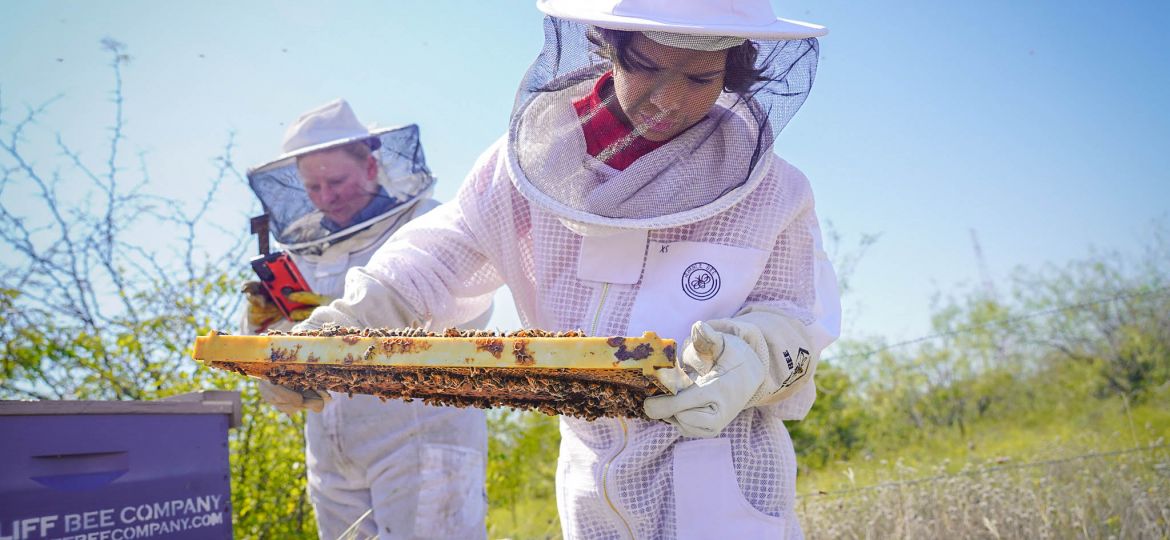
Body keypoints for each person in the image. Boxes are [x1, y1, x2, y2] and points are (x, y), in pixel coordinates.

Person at [297, 0, 841, 537]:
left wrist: (751, 359)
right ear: (610, 46)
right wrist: (345, 321)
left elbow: (797, 320)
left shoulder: (772, 190)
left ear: (732, 71)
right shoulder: (529, 163)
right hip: (590, 482)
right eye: (647, 66)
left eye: (699, 78)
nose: (667, 99)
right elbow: (438, 257)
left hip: (724, 475)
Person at [241, 99, 491, 540]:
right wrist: (263, 332)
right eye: (313, 187)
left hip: (420, 439)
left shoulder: (424, 223)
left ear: (371, 167)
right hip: (330, 447)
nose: (326, 197)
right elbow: (281, 349)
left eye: (336, 181)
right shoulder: (302, 252)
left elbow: (463, 312)